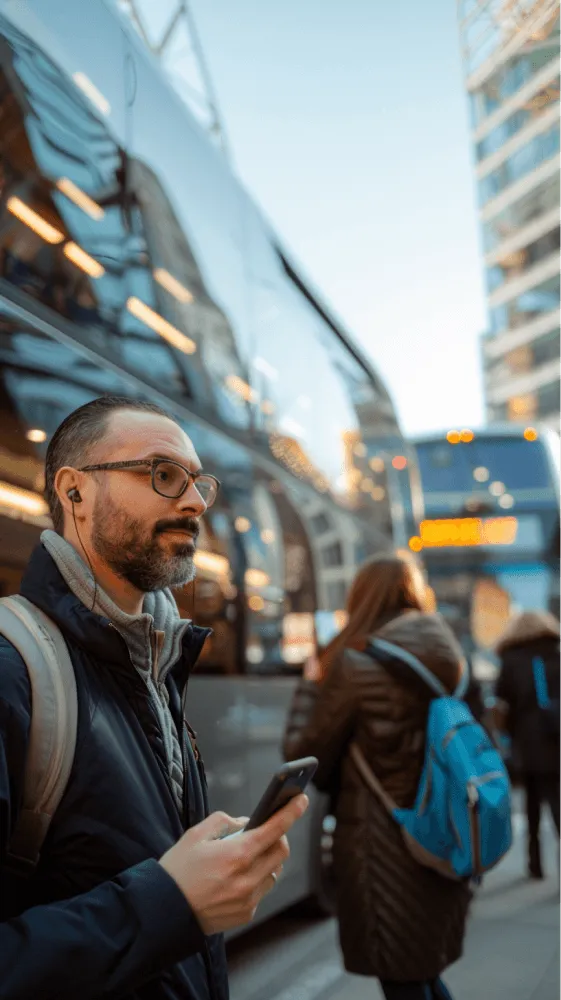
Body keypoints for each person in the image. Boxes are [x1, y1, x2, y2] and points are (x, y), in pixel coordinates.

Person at [0, 395, 308, 1000]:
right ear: (75, 493)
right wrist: (172, 902)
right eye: (164, 475)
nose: (194, 502)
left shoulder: (154, 661)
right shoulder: (12, 670)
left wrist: (199, 879)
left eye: (198, 482)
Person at [283, 553, 471, 1000]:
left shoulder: (356, 663)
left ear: (362, 596)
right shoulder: (448, 652)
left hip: (380, 847)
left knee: (403, 978)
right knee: (421, 970)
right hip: (443, 829)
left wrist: (310, 684)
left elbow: (303, 755)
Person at [494, 610, 561, 879]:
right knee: (555, 796)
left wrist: (506, 736)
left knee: (531, 801)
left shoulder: (511, 660)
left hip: (527, 738)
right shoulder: (557, 653)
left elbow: (502, 704)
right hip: (557, 736)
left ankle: (535, 864)